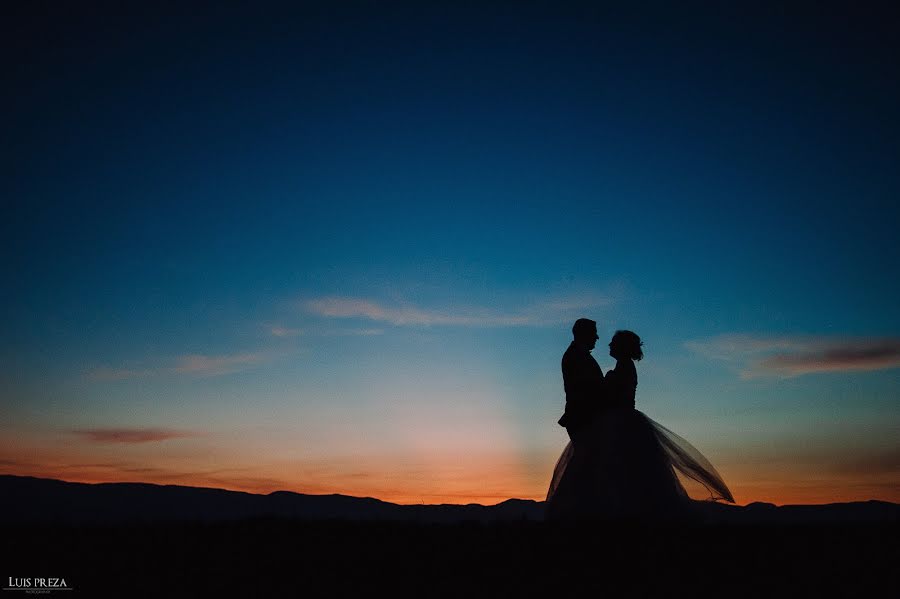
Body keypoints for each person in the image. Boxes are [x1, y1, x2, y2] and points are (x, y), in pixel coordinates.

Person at [546, 329, 734, 522]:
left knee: (619, 471)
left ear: (622, 347)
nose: (608, 344)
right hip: (618, 422)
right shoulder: (622, 366)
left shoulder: (625, 367)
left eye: (613, 342)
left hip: (621, 424)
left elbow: (615, 397)